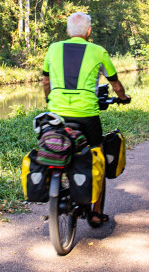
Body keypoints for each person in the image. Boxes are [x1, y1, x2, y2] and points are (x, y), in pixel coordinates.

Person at [41, 12, 129, 225]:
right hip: (87, 115)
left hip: (57, 114)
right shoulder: (98, 51)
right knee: (97, 154)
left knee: (56, 145)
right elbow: (115, 84)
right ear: (89, 32)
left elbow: (46, 82)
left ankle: (60, 182)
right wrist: (123, 98)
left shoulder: (53, 48)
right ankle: (96, 213)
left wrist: (49, 100)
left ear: (67, 31)